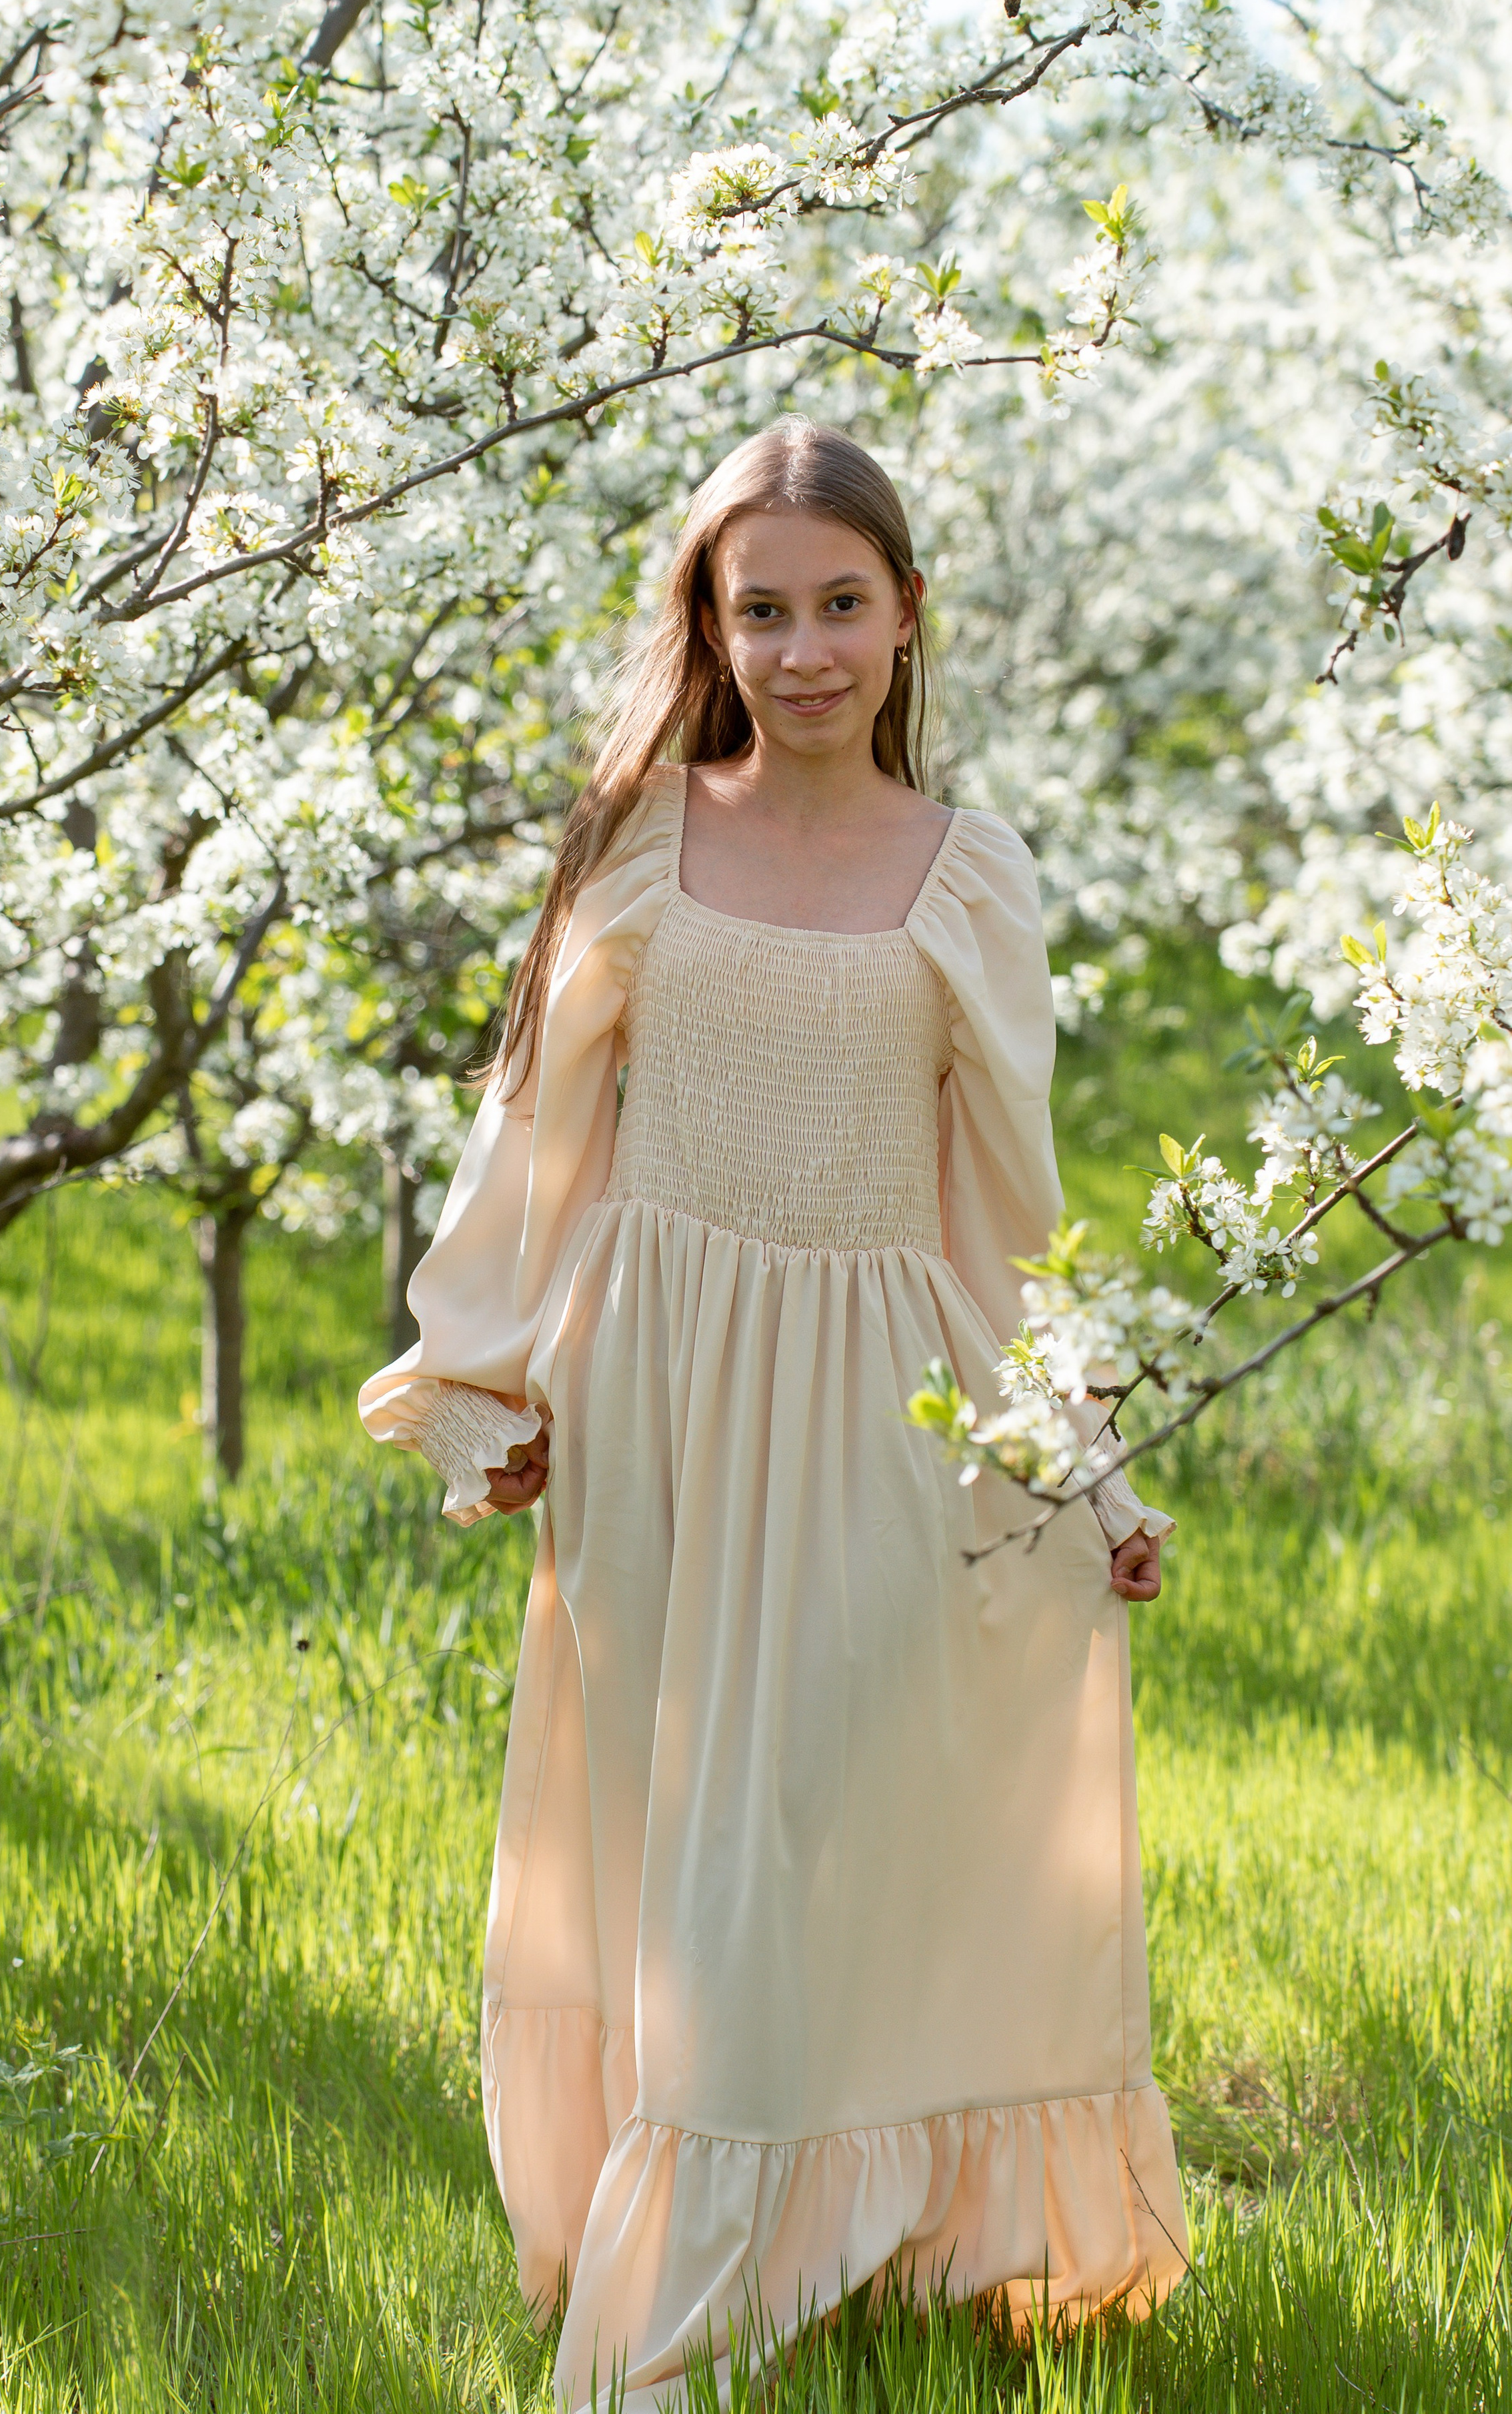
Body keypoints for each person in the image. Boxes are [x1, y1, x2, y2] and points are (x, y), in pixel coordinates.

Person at [359, 419, 1186, 2410]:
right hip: (655, 1403)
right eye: (763, 612)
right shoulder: (640, 841)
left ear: (908, 615)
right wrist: (482, 1379)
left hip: (886, 1407)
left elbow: (1010, 1211)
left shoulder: (967, 873)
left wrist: (1079, 1455)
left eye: (842, 604)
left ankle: (844, 2250)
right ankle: (694, 2283)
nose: (805, 649)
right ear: (711, 631)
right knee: (692, 1840)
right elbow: (534, 1139)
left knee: (831, 1810)